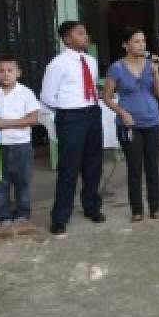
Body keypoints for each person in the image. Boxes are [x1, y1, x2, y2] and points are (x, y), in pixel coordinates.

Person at [41, 20, 105, 237]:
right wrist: (66, 112)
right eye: (80, 33)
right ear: (67, 39)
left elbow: (92, 86)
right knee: (69, 168)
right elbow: (47, 97)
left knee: (93, 164)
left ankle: (92, 207)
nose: (85, 36)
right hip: (71, 117)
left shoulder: (91, 61)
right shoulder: (57, 64)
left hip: (92, 112)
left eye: (86, 33)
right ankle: (60, 217)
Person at [102, 29, 159, 221]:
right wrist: (122, 112)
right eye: (136, 41)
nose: (142, 45)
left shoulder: (151, 65)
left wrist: (155, 74)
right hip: (129, 125)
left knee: (153, 167)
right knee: (135, 168)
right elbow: (106, 96)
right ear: (125, 44)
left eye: (143, 41)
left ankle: (155, 208)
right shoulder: (117, 68)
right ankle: (137, 210)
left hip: (153, 122)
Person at [0, 55, 39, 228]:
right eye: (1, 71)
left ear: (19, 73)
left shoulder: (25, 93)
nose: (5, 74)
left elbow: (33, 119)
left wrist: (5, 123)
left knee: (22, 183)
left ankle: (22, 214)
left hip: (21, 146)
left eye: (10, 70)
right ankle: (3, 216)